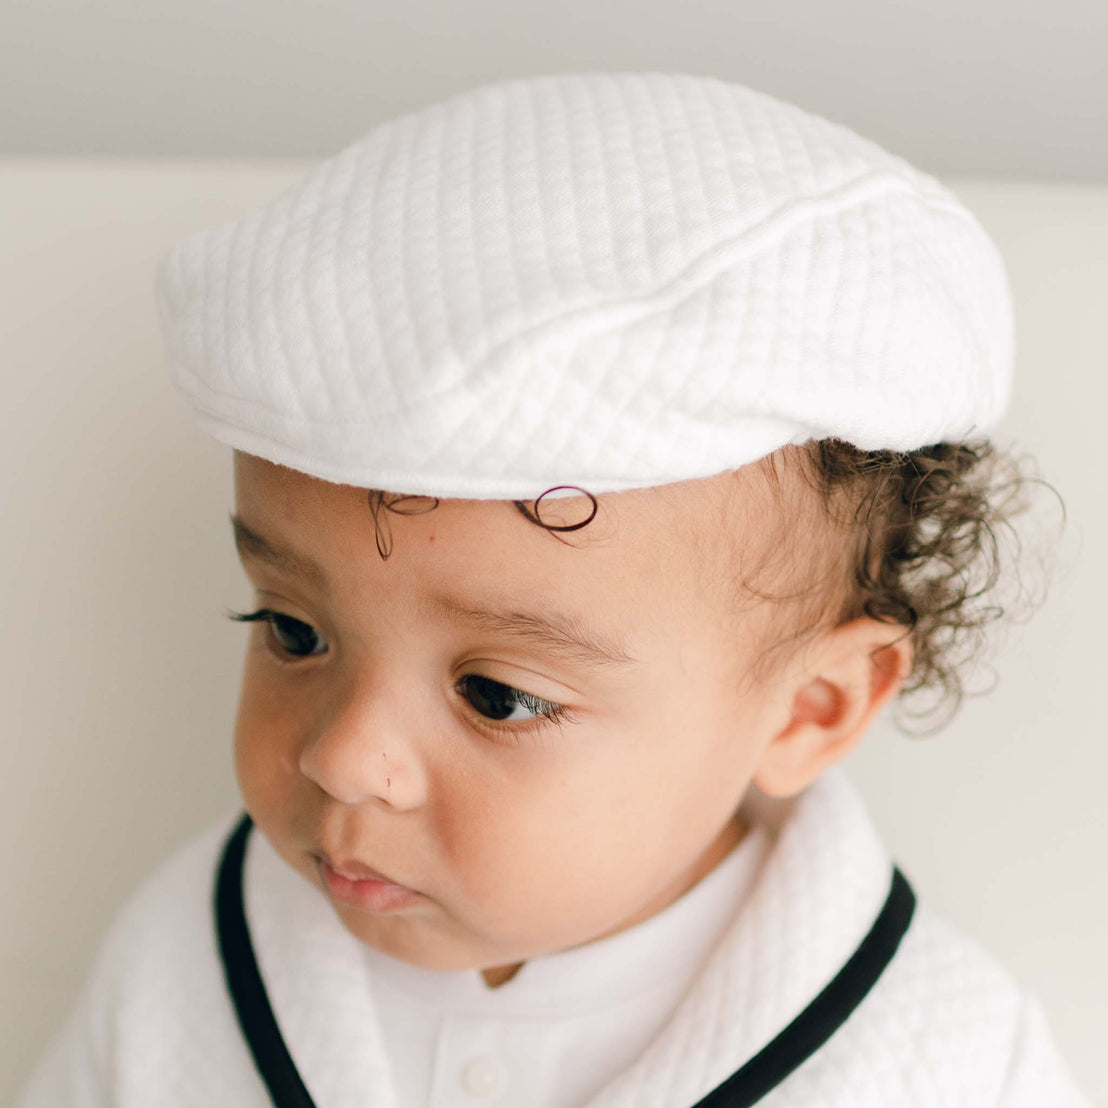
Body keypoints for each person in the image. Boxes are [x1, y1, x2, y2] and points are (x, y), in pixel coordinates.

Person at [17, 71, 1093, 1107]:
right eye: (292, 629)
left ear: (813, 708)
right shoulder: (188, 960)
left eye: (499, 695)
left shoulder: (936, 1057)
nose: (341, 757)